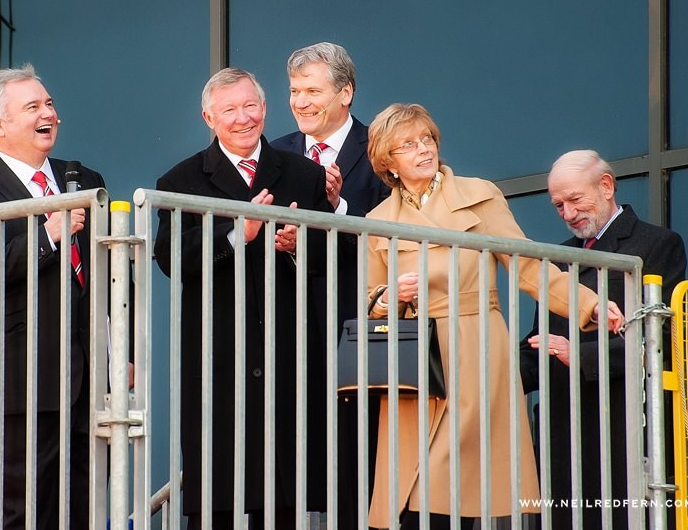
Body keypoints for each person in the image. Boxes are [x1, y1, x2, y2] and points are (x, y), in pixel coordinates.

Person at [363, 104, 624, 530]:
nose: (423, 149)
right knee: (412, 492)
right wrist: (391, 297)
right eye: (407, 145)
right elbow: (368, 298)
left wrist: (587, 303)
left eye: (427, 139)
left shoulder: (479, 196)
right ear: (387, 162)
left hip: (474, 347)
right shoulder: (377, 221)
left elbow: (528, 266)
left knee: (457, 488)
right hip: (414, 362)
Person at [153, 68, 332, 529]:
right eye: (229, 110)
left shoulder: (303, 174)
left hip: (287, 356)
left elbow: (336, 253)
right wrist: (239, 232)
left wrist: (298, 245)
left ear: (265, 109)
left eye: (250, 106)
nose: (242, 118)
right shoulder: (179, 181)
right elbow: (171, 257)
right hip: (219, 360)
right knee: (219, 497)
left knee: (287, 496)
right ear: (208, 118)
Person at [0, 64, 106, 529]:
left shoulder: (82, 177)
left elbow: (113, 272)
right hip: (17, 382)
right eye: (33, 106)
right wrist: (47, 236)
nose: (48, 113)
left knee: (85, 512)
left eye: (49, 103)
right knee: (26, 514)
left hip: (87, 381)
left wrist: (124, 351)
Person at [519, 149, 687, 530]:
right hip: (564, 430)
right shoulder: (557, 258)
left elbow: (659, 334)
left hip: (625, 428)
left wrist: (578, 356)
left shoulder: (657, 244)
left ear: (606, 186)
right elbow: (539, 342)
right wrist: (495, 369)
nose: (567, 213)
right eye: (558, 205)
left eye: (575, 199)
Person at [270, 42, 390, 527]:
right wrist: (285, 244)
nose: (300, 102)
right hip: (292, 331)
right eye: (294, 91)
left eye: (312, 91)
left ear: (346, 93)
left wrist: (339, 209)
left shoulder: (380, 147)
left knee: (361, 458)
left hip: (360, 324)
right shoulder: (275, 153)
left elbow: (397, 233)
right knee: (296, 456)